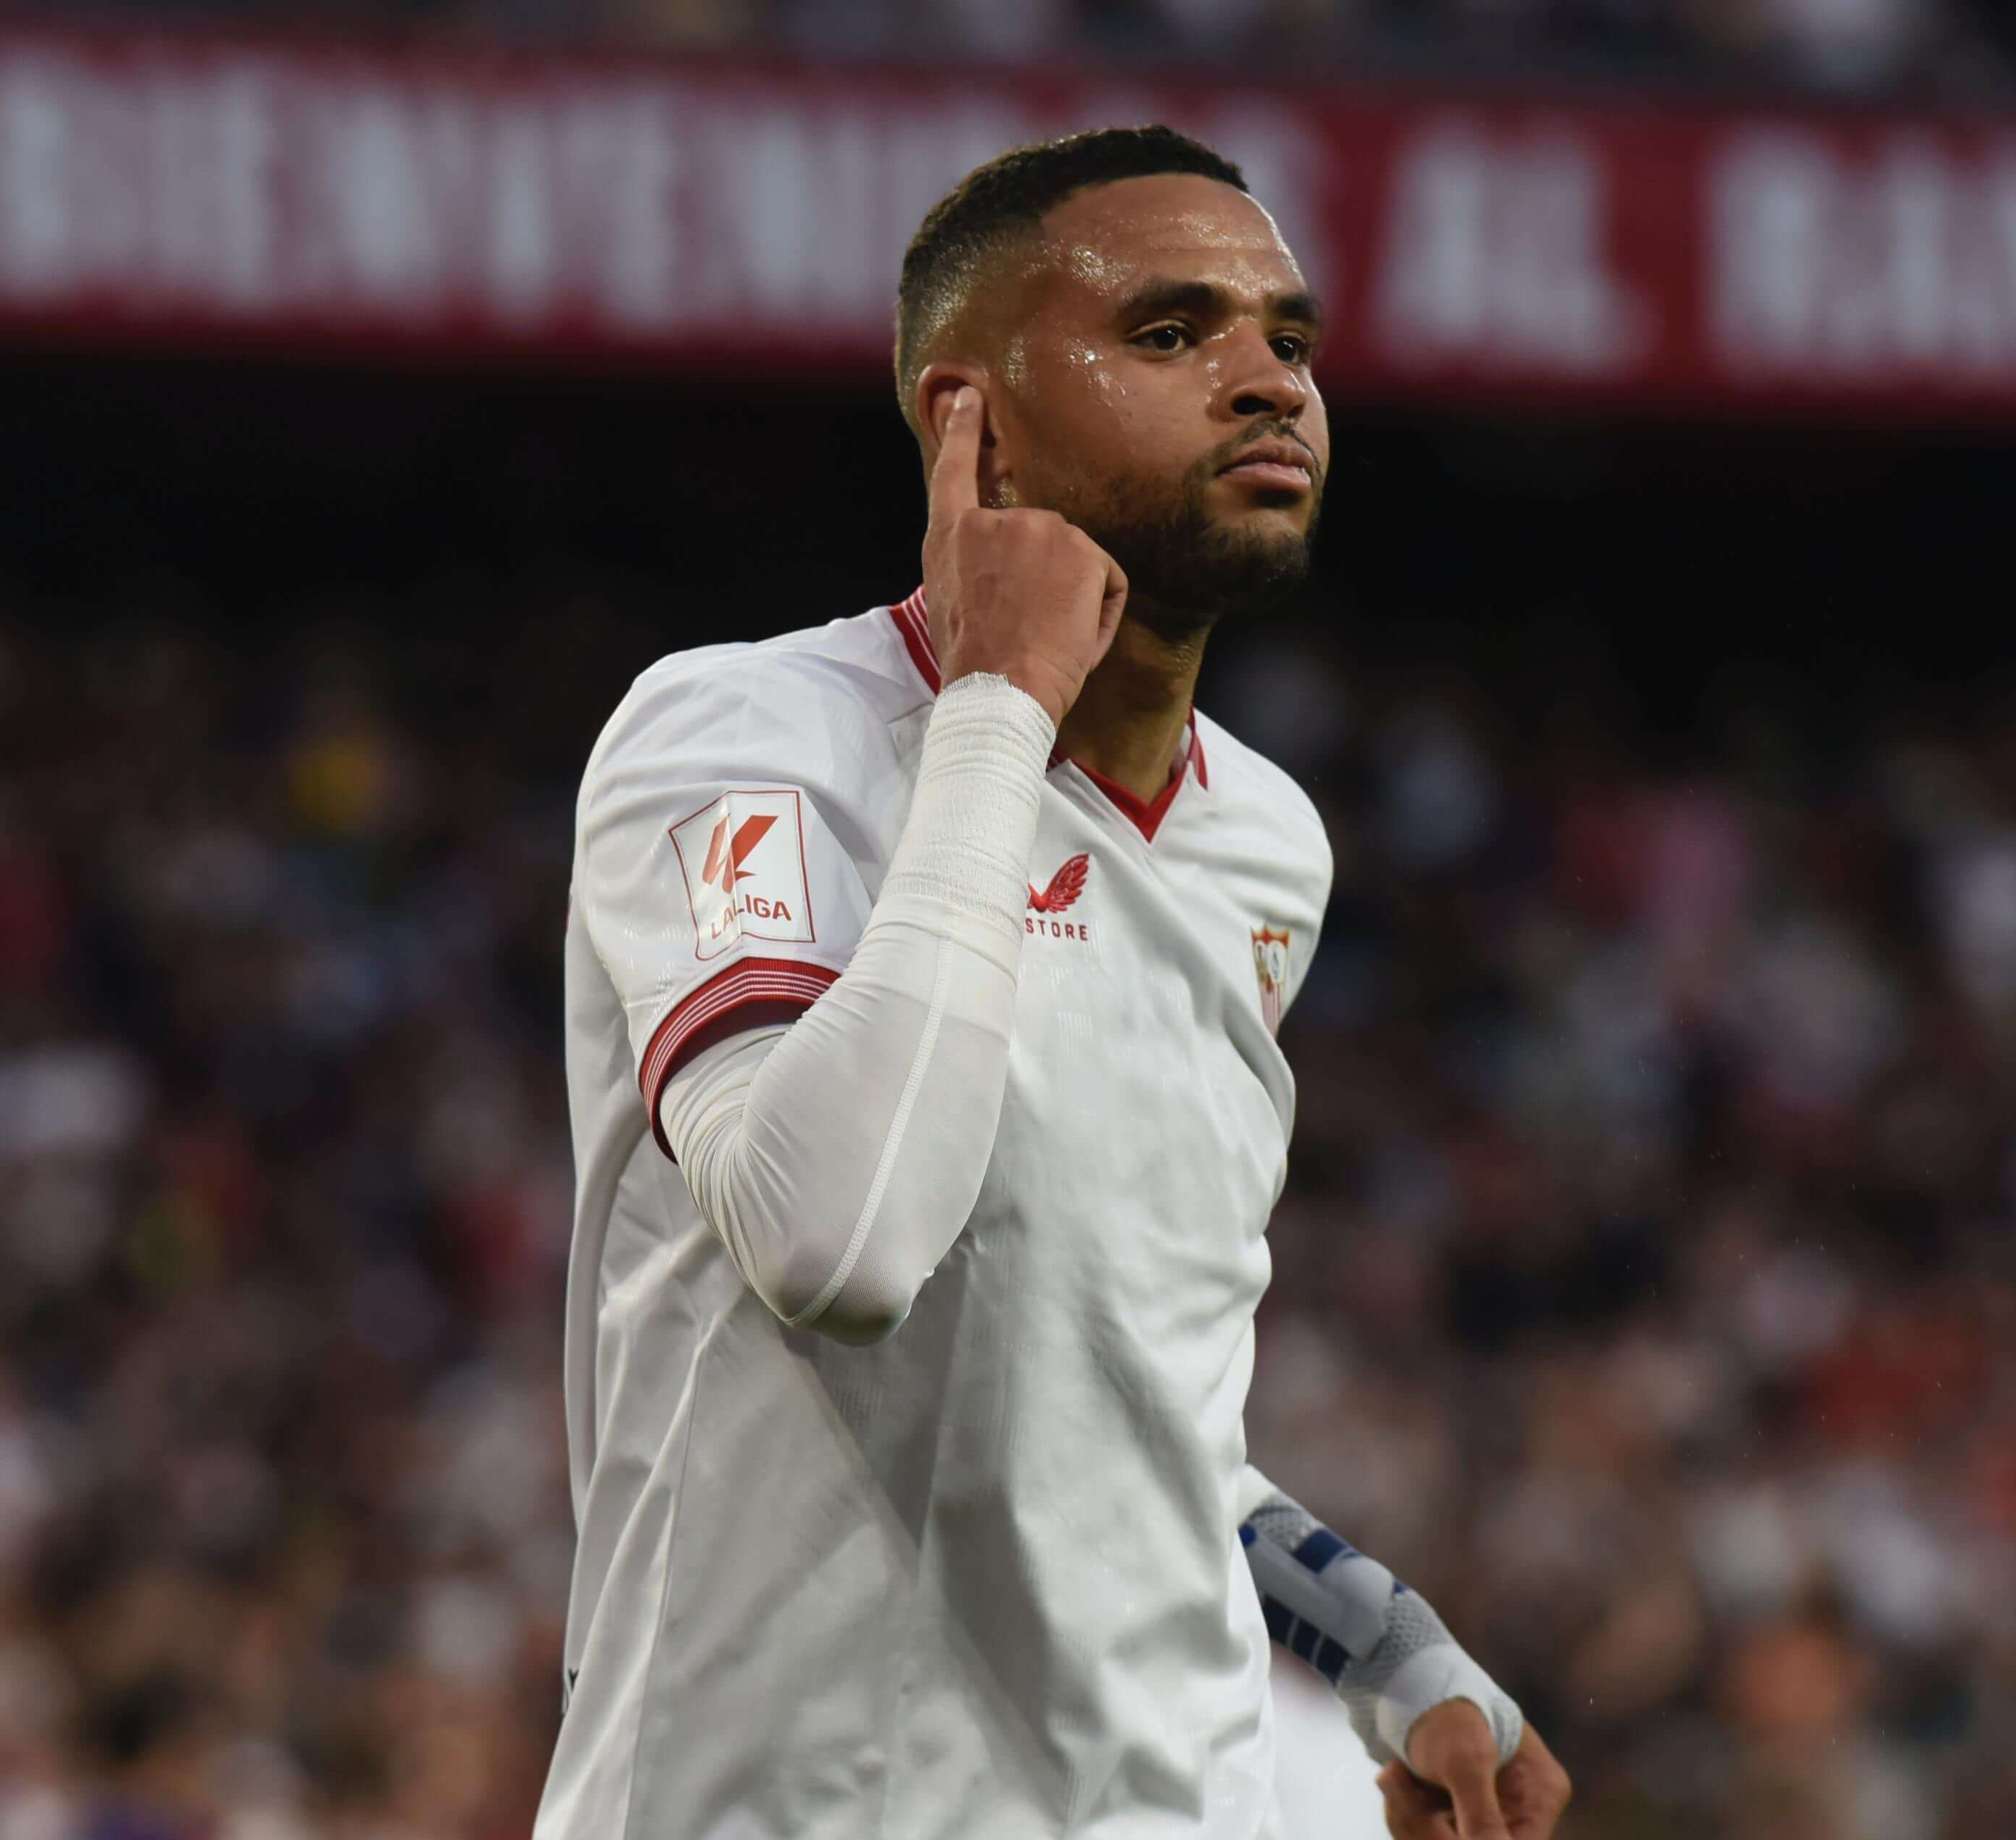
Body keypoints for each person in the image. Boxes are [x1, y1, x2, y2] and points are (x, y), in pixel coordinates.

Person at [536, 125, 1573, 1840]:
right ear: (973, 420)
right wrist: (1000, 707)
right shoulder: (741, 738)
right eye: (1169, 335)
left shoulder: (1265, 844)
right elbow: (838, 1243)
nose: (1264, 382)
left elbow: (1106, 1394)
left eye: (1289, 340)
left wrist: (1387, 1644)